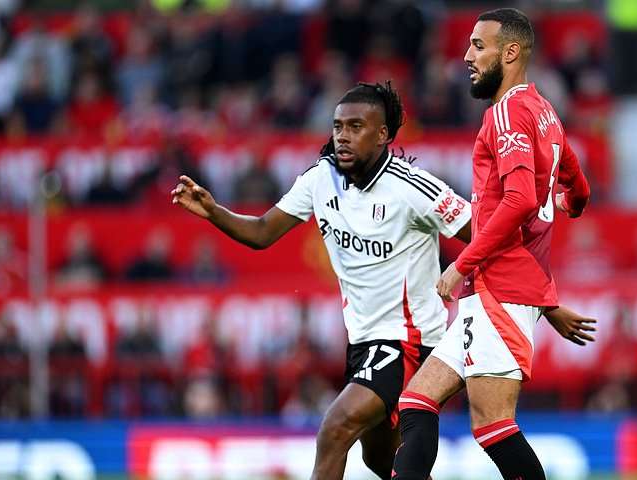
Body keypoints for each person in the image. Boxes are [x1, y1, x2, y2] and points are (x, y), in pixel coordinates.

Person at [172, 81, 594, 480]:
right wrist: (214, 212)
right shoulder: (322, 179)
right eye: (338, 126)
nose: (342, 136)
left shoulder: (414, 188)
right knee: (382, 460)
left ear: (383, 135)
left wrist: (546, 305)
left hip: (409, 341)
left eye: (356, 127)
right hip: (363, 342)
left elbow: (491, 238)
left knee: (335, 428)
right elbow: (262, 232)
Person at [391, 9, 593, 480]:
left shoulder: (505, 113)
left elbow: (521, 200)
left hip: (499, 287)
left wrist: (462, 262)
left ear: (511, 52)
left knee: (492, 426)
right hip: (500, 290)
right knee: (417, 401)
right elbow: (579, 188)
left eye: (478, 47)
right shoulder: (545, 112)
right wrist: (565, 202)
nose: (466, 56)